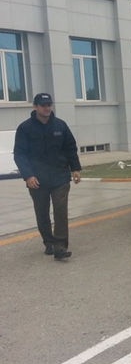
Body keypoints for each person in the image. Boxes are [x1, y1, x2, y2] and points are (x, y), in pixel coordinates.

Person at [13, 92, 82, 260]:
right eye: (43, 105)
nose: (47, 108)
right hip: (37, 179)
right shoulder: (25, 128)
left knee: (60, 211)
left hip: (60, 176)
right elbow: (19, 154)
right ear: (35, 107)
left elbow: (70, 148)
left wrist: (75, 168)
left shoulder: (60, 126)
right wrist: (28, 176)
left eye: (49, 105)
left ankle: (60, 246)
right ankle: (48, 242)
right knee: (42, 212)